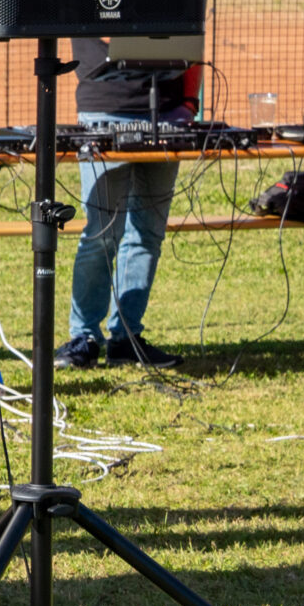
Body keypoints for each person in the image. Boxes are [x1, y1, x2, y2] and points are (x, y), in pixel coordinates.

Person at [55, 39, 194, 368]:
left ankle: (126, 338)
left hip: (167, 114)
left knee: (147, 234)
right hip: (105, 110)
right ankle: (84, 337)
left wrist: (188, 103)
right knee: (102, 233)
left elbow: (192, 40)